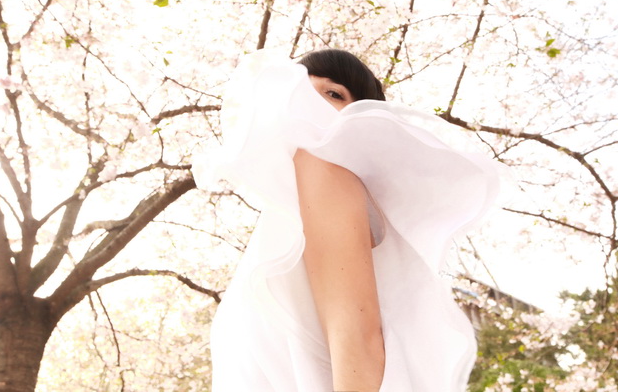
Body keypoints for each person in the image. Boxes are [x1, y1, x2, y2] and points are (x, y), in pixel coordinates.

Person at [206, 49, 501, 391]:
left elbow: (359, 342)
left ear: (363, 120)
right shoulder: (288, 214)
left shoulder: (322, 170)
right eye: (301, 89)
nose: (308, 103)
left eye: (332, 94)